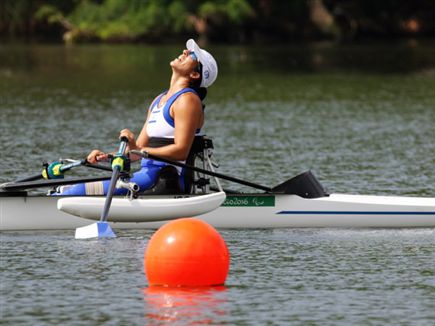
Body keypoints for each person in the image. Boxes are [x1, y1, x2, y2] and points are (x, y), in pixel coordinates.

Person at [54, 39, 218, 196]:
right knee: (64, 189)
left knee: (73, 192)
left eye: (192, 55)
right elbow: (137, 149)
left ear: (195, 74)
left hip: (165, 180)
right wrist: (107, 157)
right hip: (145, 176)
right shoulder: (159, 100)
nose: (185, 51)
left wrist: (141, 150)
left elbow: (181, 151)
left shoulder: (188, 100)